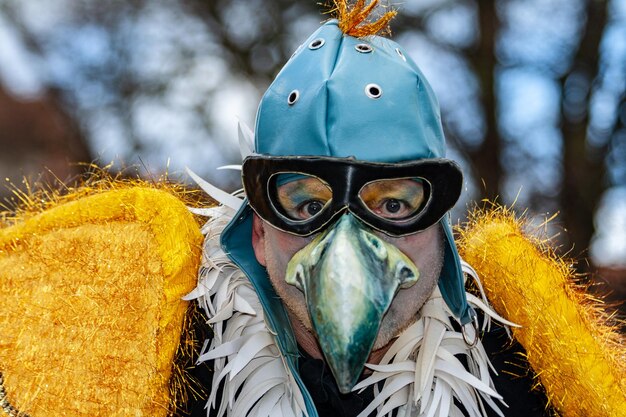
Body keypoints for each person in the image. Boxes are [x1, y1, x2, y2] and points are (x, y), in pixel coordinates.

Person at [186, 2, 552, 416]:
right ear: (258, 233)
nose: (346, 249)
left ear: (439, 227)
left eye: (393, 204)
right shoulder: (177, 386)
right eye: (308, 206)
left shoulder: (527, 388)